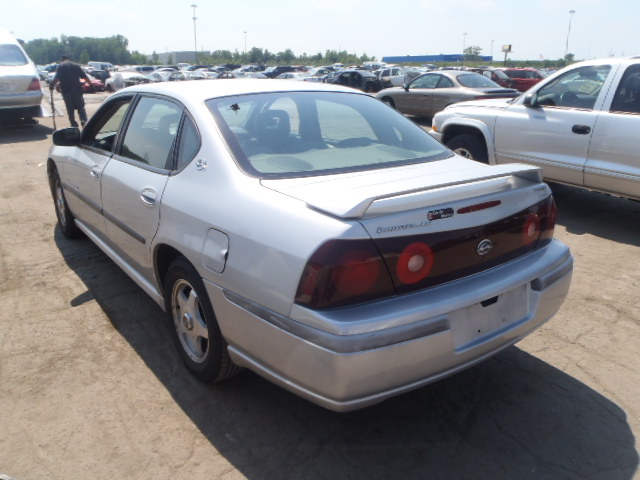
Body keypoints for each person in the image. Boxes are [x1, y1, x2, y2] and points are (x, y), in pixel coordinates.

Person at [49, 54, 91, 128]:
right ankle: (83, 120)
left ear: (62, 59)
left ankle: (73, 124)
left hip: (66, 91)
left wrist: (52, 85)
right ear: (69, 59)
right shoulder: (76, 66)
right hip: (77, 90)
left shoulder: (61, 66)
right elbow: (85, 77)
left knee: (70, 109)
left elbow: (57, 78)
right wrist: (91, 85)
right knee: (81, 108)